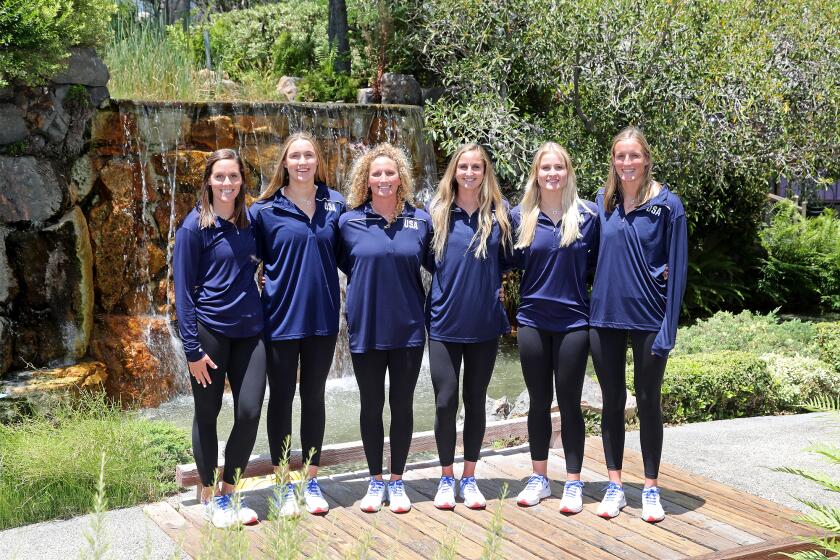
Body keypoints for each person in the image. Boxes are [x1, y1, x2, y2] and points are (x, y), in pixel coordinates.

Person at [589, 126, 687, 522]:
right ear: (613, 160)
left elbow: (677, 270)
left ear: (646, 159)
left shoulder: (667, 205)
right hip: (605, 317)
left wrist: (670, 327)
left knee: (648, 401)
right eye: (620, 156)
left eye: (633, 156)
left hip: (649, 317)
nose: (626, 163)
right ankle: (615, 486)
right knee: (611, 402)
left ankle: (649, 487)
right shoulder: (602, 202)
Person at [249, 131, 346, 516]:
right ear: (285, 163)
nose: (303, 162)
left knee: (315, 398)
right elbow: (245, 263)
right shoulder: (264, 210)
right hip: (279, 320)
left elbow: (350, 256)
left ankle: (311, 479)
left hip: (323, 319)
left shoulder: (335, 204)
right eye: (295, 156)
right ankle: (283, 483)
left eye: (309, 155)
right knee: (282, 400)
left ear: (317, 161)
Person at [337, 143, 432, 513]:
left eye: (389, 173)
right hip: (366, 327)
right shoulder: (349, 222)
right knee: (371, 405)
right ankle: (375, 480)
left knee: (402, 406)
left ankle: (398, 481)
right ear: (366, 178)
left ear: (401, 178)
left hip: (408, 328)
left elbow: (435, 265)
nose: (383, 179)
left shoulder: (420, 221)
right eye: (376, 173)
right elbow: (348, 265)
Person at [173, 149, 266, 528]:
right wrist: (192, 349)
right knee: (207, 414)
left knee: (249, 412)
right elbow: (183, 293)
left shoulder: (250, 222)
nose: (227, 184)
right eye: (220, 177)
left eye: (234, 177)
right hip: (210, 335)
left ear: (242, 181)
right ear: (208, 181)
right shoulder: (194, 227)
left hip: (251, 332)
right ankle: (211, 496)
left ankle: (230, 491)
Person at [509, 142, 599, 513]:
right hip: (532, 321)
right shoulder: (520, 217)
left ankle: (574, 482)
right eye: (545, 167)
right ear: (536, 173)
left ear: (568, 172)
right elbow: (501, 263)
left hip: (574, 322)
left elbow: (605, 265)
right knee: (538, 403)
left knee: (570, 404)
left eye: (558, 167)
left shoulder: (588, 217)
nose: (552, 173)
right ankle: (540, 478)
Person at [426, 144, 513, 510]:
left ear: (485, 171)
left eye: (477, 167)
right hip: (443, 325)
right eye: (463, 166)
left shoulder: (500, 215)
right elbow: (424, 262)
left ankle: (470, 476)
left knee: (475, 401)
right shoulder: (438, 214)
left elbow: (510, 260)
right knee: (446, 402)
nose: (470, 172)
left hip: (483, 326)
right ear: (454, 171)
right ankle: (447, 477)